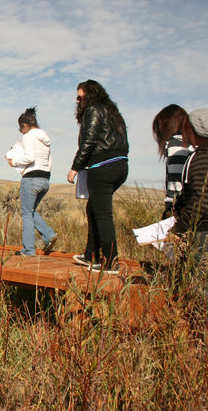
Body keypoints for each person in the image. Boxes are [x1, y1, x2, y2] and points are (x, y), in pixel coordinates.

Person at [67, 80, 129, 273]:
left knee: (102, 215)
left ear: (90, 95)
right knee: (93, 208)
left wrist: (75, 167)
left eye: (80, 97)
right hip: (120, 164)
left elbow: (89, 139)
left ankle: (110, 263)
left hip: (102, 166)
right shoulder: (112, 112)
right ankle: (90, 256)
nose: (77, 101)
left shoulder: (93, 109)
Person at [7, 107, 57, 256]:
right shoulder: (45, 139)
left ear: (25, 125)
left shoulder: (28, 136)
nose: (21, 132)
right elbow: (49, 162)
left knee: (26, 213)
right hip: (45, 179)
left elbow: (29, 157)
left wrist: (14, 162)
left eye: (20, 128)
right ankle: (48, 235)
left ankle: (28, 249)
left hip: (31, 178)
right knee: (31, 211)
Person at [172, 108, 208, 264]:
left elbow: (202, 198)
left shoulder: (204, 156)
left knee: (203, 285)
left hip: (206, 232)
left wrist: (180, 227)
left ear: (194, 130)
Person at [152, 104, 195, 219]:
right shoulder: (190, 143)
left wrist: (169, 208)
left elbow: (175, 183)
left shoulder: (175, 144)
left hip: (182, 207)